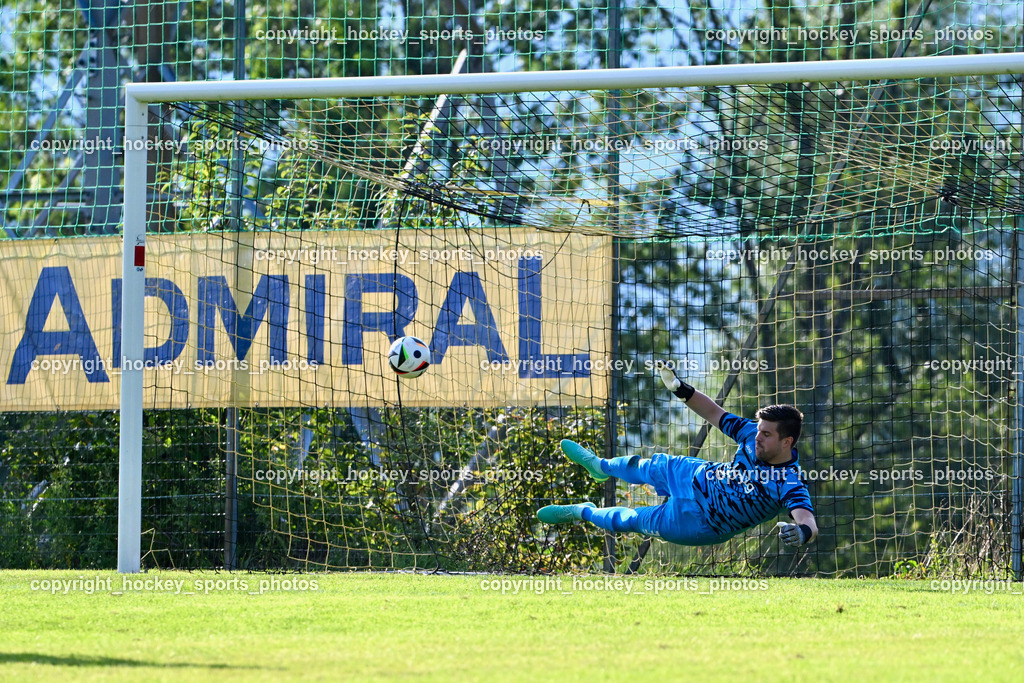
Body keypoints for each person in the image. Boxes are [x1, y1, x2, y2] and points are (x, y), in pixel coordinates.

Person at [537, 364, 817, 547]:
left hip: (699, 522)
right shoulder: (748, 432)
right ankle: (600, 466)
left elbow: (807, 521)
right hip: (696, 475)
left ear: (787, 442)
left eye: (767, 434)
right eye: (759, 430)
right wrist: (680, 389)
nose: (757, 436)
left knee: (632, 520)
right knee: (648, 466)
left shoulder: (789, 481)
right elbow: (713, 413)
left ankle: (582, 511)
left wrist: (801, 533)